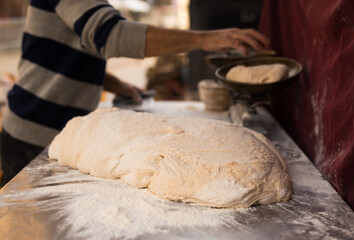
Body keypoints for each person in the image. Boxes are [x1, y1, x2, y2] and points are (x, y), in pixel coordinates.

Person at [0, 0, 270, 186]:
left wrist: (118, 85)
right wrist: (204, 39)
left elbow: (68, 58)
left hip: (63, 132)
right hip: (32, 133)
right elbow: (110, 36)